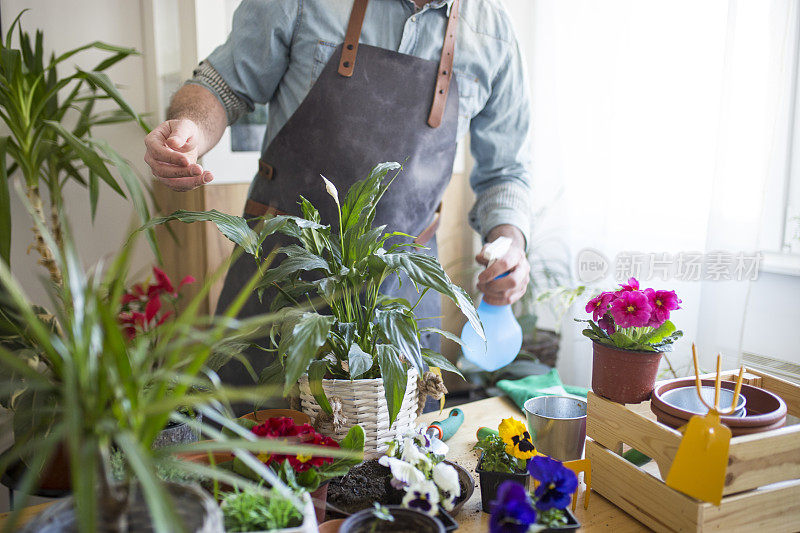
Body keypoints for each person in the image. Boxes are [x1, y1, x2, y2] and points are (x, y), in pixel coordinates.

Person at [143, 0, 532, 397]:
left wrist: (510, 246)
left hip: (399, 299)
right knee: (256, 444)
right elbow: (222, 84)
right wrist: (188, 130)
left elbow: (506, 173)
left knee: (396, 453)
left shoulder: (494, 33)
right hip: (283, 281)